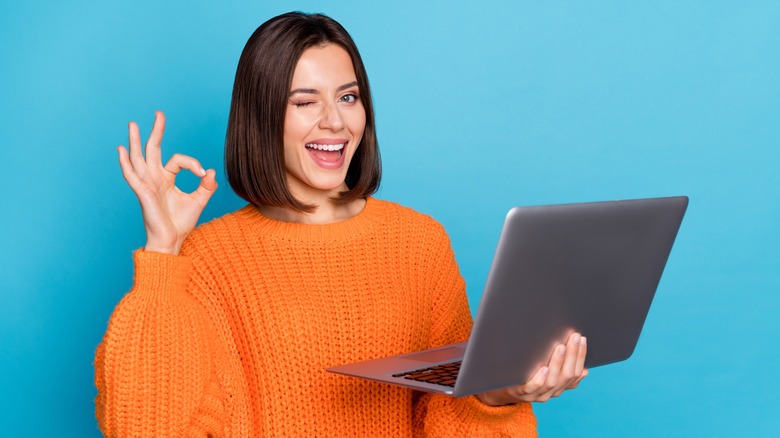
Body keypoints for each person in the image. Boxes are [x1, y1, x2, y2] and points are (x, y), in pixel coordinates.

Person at [95, 11, 588, 437]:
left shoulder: (419, 243)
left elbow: (445, 416)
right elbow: (144, 429)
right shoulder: (203, 259)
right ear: (262, 116)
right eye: (305, 101)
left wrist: (498, 395)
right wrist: (163, 251)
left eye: (348, 97)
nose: (334, 121)